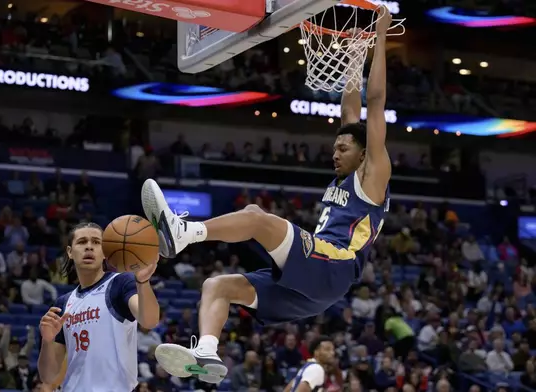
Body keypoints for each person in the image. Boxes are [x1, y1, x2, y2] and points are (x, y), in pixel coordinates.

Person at [141, 8, 393, 384]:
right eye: (335, 147)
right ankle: (206, 354)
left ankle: (183, 232)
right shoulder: (345, 174)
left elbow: (374, 104)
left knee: (257, 217)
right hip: (314, 287)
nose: (334, 152)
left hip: (334, 264)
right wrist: (355, 49)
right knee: (217, 286)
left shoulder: (373, 175)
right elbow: (350, 107)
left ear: (363, 153)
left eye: (343, 148)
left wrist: (380, 37)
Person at [37, 222, 160, 391]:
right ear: (70, 252)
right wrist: (47, 341)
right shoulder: (62, 304)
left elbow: (150, 321)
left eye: (96, 242)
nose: (89, 247)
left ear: (105, 252)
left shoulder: (120, 283)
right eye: (82, 242)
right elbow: (48, 376)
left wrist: (143, 282)